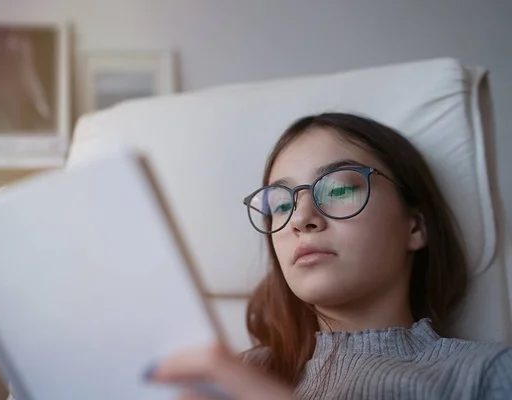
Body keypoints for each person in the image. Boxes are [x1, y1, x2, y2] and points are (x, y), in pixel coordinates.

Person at [146, 113, 512, 399]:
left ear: (415, 228)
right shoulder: (239, 374)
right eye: (281, 203)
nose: (302, 219)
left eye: (338, 190)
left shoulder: (489, 374)